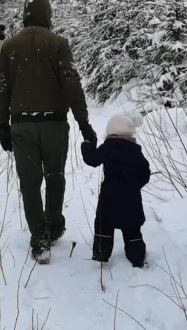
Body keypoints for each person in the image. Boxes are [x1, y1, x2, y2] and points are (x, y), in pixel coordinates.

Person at [0, 0, 97, 264]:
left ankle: (39, 239)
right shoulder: (58, 44)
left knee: (29, 183)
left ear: (25, 14)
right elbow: (72, 86)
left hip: (22, 126)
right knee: (55, 175)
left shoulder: (10, 47)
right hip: (54, 124)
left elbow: (2, 90)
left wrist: (3, 126)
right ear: (48, 15)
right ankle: (54, 226)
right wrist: (84, 124)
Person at [82, 114, 150, 268]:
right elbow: (145, 173)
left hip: (109, 195)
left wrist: (87, 145)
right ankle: (137, 257)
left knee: (104, 224)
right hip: (131, 197)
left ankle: (101, 253)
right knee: (132, 228)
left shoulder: (108, 147)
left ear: (110, 132)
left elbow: (92, 159)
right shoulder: (135, 151)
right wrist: (134, 185)